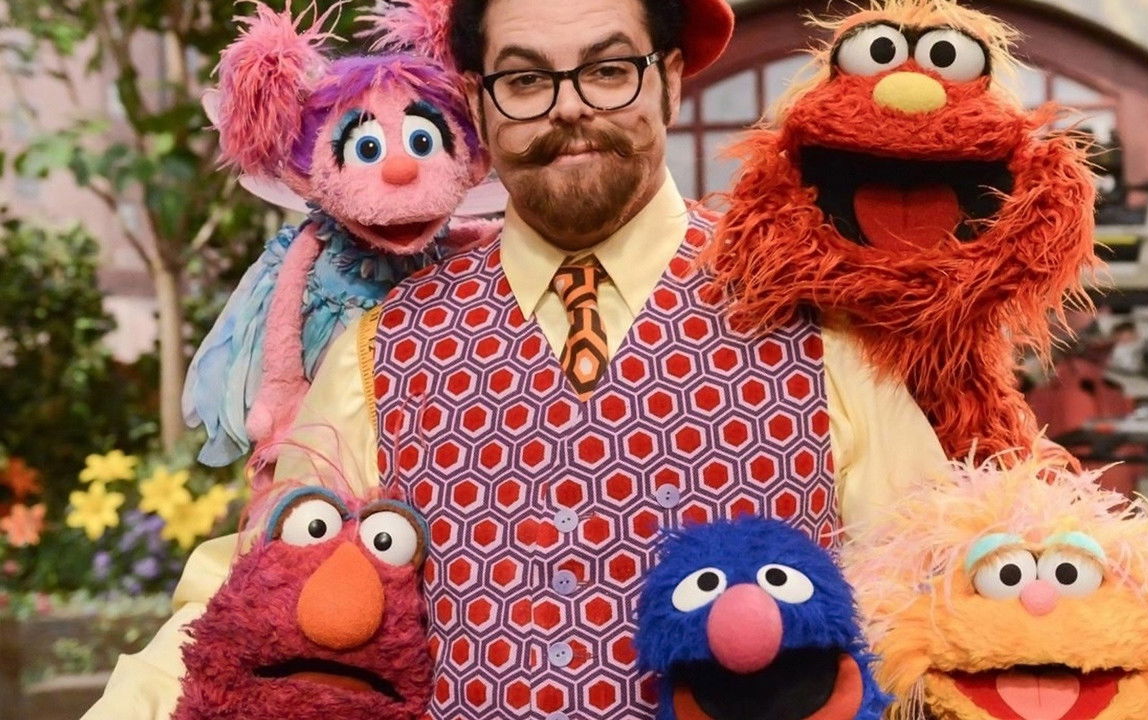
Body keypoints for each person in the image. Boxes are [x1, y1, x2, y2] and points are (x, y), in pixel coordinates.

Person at [84, 0, 946, 717]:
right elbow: (259, 600)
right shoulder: (380, 350)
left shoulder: (814, 318)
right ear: (478, 100)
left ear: (671, 77)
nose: (570, 108)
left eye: (609, 69)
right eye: (526, 80)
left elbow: (931, 608)